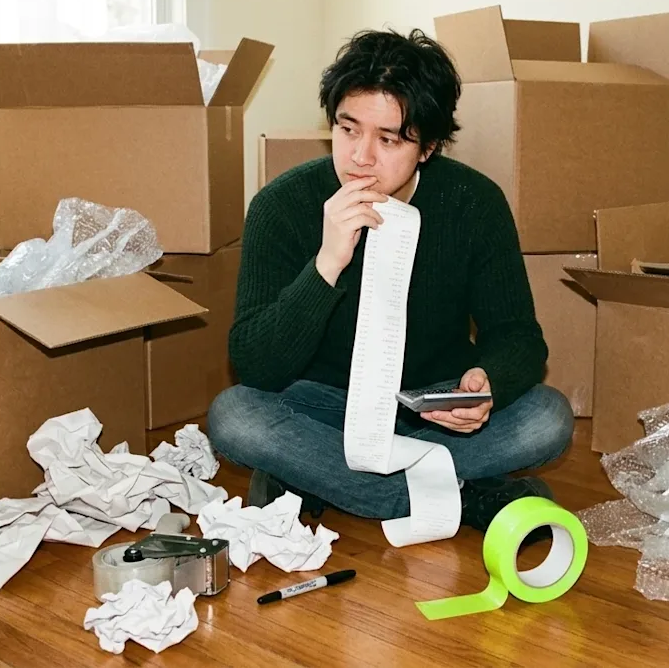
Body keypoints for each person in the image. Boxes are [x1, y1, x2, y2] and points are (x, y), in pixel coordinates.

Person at [206, 26, 574, 536]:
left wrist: (488, 385)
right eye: (348, 129)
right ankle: (458, 497)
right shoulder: (281, 206)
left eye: (388, 139)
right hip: (328, 408)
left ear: (428, 148)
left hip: (431, 408)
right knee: (234, 417)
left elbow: (517, 336)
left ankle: (325, 482)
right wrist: (327, 263)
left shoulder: (474, 204)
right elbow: (254, 365)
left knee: (549, 418)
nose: (360, 157)